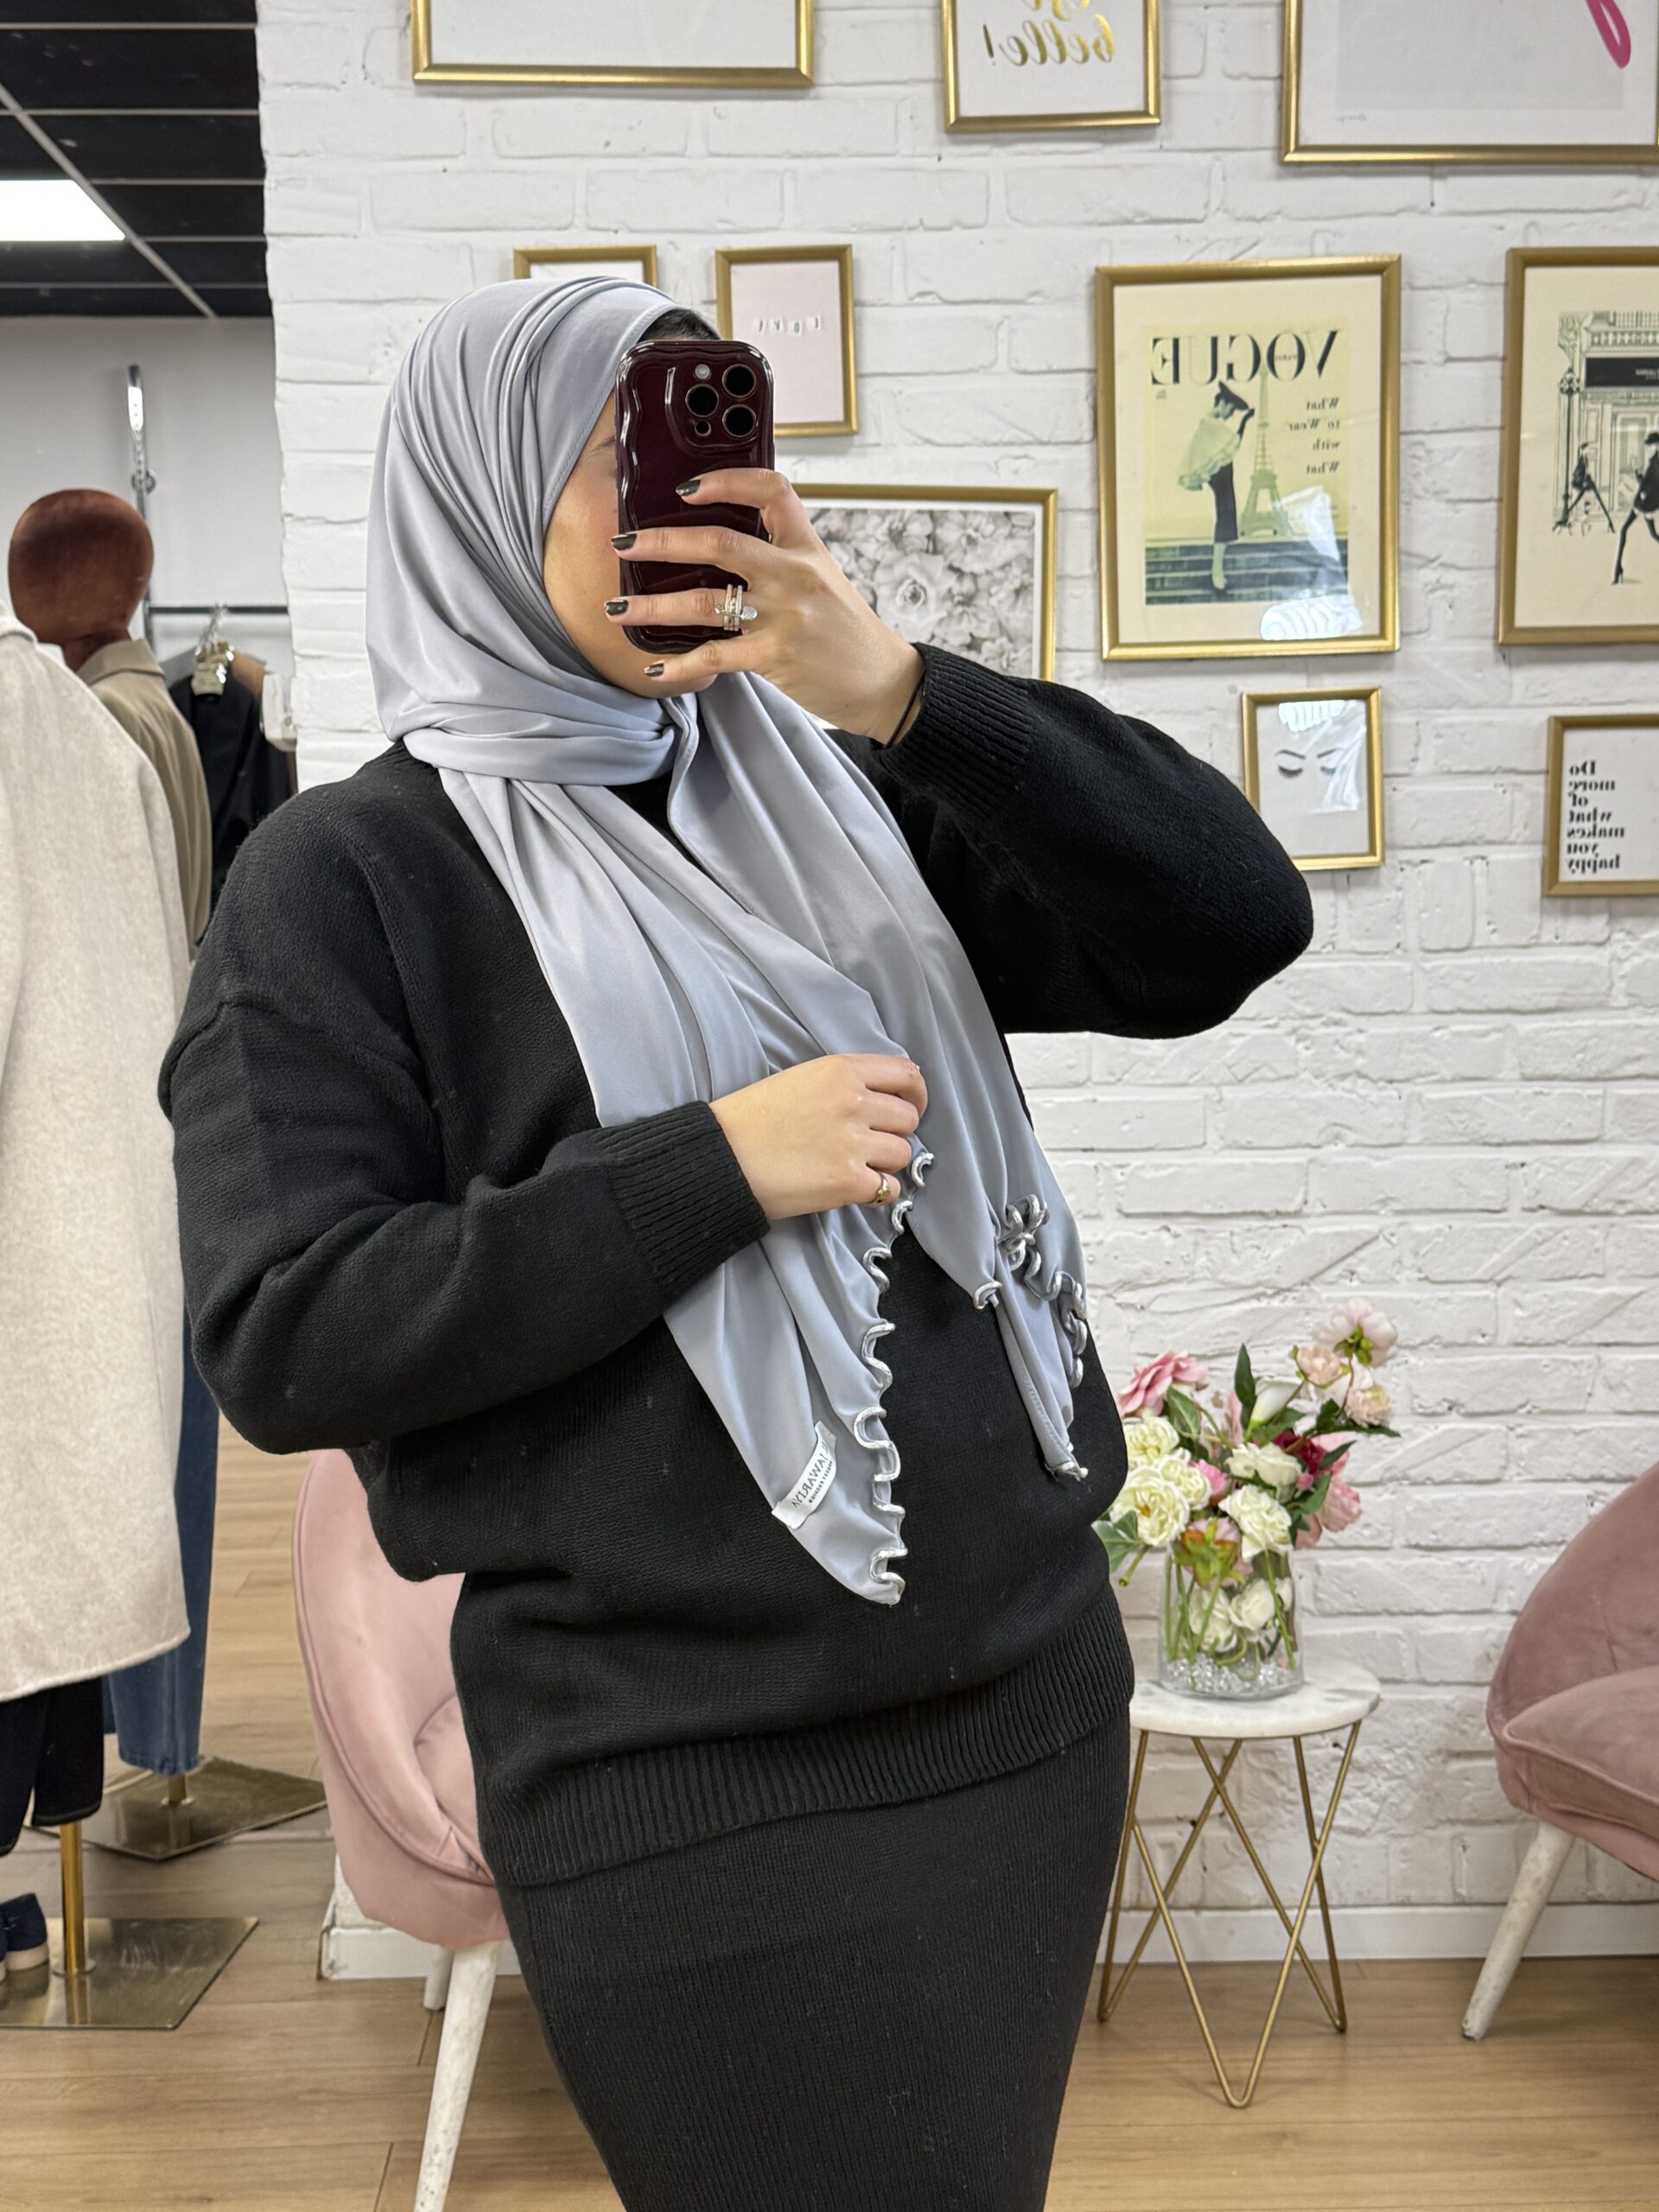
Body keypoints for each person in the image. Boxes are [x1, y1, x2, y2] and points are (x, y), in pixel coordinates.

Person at [162, 278, 1314, 2212]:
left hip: (1024, 1711)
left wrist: (907, 692)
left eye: (699, 452)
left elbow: (1230, 920)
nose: (676, 507)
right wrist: (708, 1167)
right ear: (476, 500)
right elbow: (291, 1332)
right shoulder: (345, 881)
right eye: (611, 465)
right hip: (681, 1776)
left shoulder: (836, 799)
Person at [8, 488, 219, 1779]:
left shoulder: (100, 726)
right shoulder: (130, 717)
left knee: (126, 1464)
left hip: (107, 1132)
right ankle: (144, 1737)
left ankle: (146, 1735)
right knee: (143, 1459)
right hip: (138, 1132)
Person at [8, 489, 212, 947]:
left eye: (31, 561)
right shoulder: (152, 700)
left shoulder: (102, 710)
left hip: (134, 975)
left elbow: (99, 898)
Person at [1177, 380, 1255, 594]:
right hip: (1220, 476)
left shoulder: (1210, 423)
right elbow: (1233, 442)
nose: (1230, 415)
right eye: (1231, 410)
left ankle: (1218, 574)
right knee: (1225, 518)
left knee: (1226, 517)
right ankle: (1216, 575)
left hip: (1221, 474)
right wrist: (1244, 422)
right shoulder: (1210, 423)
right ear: (1223, 404)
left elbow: (1226, 447)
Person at [1611, 429, 1659, 584]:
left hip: (1647, 503)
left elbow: (1655, 486)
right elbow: (1648, 482)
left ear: (1657, 445)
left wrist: (1644, 489)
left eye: (1650, 445)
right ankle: (1617, 569)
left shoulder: (1657, 462)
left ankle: (1618, 570)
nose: (1648, 447)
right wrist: (1639, 477)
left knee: (1651, 535)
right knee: (1628, 530)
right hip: (1644, 502)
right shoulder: (1654, 460)